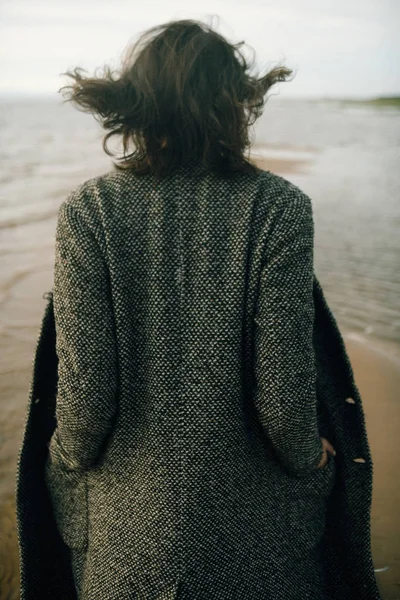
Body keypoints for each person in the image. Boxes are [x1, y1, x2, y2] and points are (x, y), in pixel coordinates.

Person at [15, 17, 382, 600]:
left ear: (136, 105)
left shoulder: (89, 210)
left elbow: (84, 404)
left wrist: (62, 458)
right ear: (233, 105)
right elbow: (284, 397)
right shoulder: (279, 207)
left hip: (125, 534)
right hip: (258, 535)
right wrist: (310, 454)